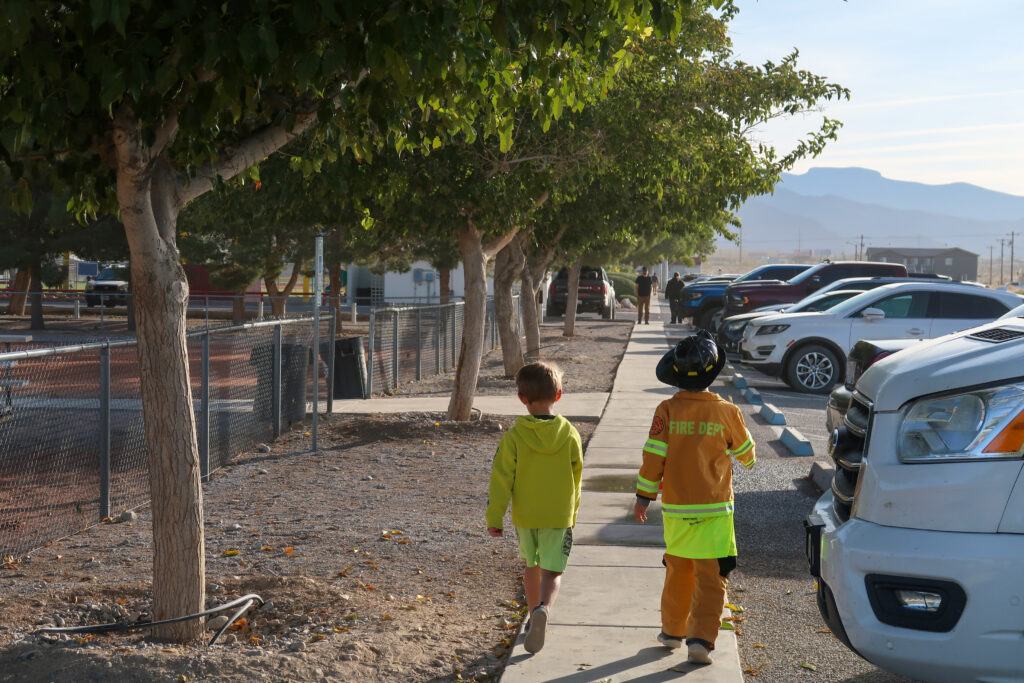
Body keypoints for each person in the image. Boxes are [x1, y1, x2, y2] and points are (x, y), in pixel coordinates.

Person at [633, 331, 756, 666]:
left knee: (678, 569)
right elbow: (747, 455)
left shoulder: (666, 410)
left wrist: (644, 498)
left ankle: (672, 631)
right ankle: (701, 639)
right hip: (715, 512)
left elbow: (653, 457)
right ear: (713, 373)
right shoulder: (726, 411)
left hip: (675, 509)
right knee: (711, 575)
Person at [486, 361, 583, 655]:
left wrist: (495, 517)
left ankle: (532, 617)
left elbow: (501, 480)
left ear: (522, 398)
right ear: (558, 395)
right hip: (558, 514)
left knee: (531, 566)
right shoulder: (570, 435)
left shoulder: (514, 438)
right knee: (553, 571)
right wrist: (573, 513)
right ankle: (544, 608)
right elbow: (577, 477)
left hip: (526, 516)